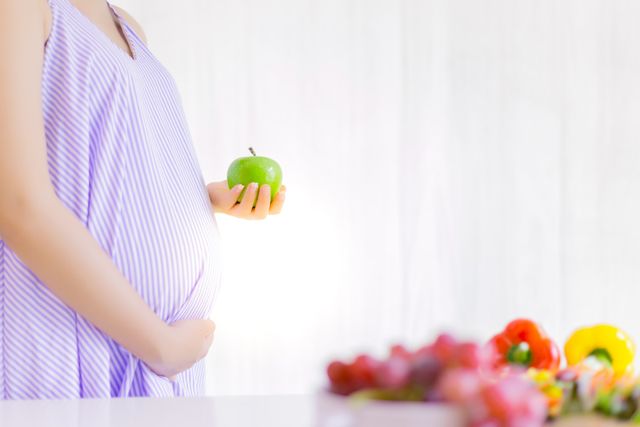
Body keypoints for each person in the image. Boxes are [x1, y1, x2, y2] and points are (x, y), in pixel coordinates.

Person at [0, 0, 286, 399]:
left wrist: (198, 201)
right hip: (72, 344)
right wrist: (161, 346)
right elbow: (17, 205)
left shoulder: (128, 26)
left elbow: (102, 168)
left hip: (147, 359)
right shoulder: (20, 8)